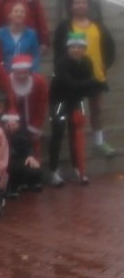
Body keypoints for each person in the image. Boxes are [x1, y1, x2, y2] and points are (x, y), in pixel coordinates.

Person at [52, 0, 116, 157]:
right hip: (74, 78)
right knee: (75, 113)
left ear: (88, 6)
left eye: (84, 2)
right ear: (71, 7)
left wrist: (106, 63)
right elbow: (58, 51)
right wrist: (63, 71)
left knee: (96, 110)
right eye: (77, 3)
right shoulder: (65, 26)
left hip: (96, 75)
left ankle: (99, 142)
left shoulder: (98, 25)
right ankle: (76, 146)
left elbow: (109, 46)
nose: (81, 5)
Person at [47, 33, 104, 186]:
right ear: (68, 48)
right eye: (72, 47)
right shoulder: (61, 63)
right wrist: (91, 82)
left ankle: (78, 168)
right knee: (57, 134)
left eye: (79, 47)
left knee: (76, 134)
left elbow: (87, 86)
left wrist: (90, 84)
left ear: (84, 49)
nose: (76, 50)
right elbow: (69, 83)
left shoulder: (87, 62)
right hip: (59, 101)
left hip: (76, 100)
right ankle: (54, 170)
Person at [0, 93, 42, 194]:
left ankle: (20, 184)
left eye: (0, 103)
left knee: (34, 170)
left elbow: (26, 142)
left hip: (14, 157)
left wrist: (30, 155)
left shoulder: (14, 122)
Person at [9, 55, 48, 158]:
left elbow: (42, 104)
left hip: (31, 119)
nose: (21, 76)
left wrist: (36, 125)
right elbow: (7, 102)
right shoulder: (7, 81)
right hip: (13, 122)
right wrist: (12, 119)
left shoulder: (39, 82)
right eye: (18, 73)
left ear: (30, 71)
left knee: (33, 146)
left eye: (25, 72)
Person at [0, 1, 41, 72]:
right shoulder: (0, 33)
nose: (19, 14)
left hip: (25, 74)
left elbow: (35, 57)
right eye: (16, 11)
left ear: (25, 15)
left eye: (22, 12)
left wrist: (33, 75)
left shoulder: (32, 34)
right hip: (5, 73)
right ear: (9, 15)